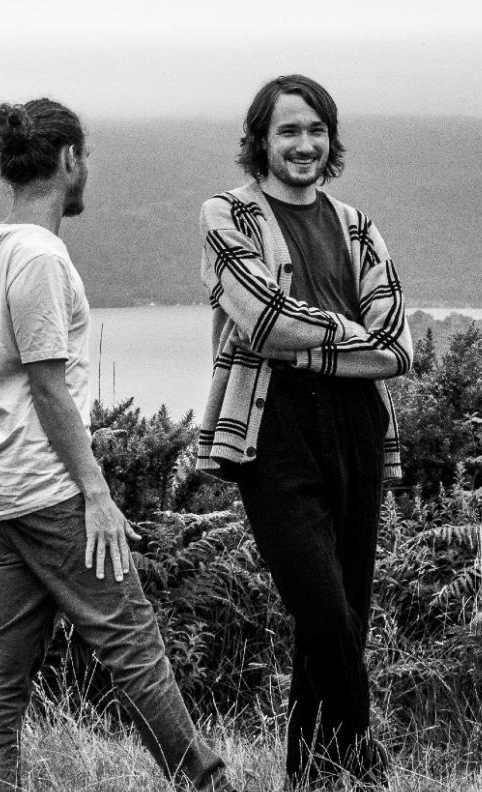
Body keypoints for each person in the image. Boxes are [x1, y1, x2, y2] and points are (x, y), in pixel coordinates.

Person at [0, 97, 235, 792]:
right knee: (131, 640)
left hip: (2, 489)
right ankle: (203, 781)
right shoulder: (41, 257)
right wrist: (96, 493)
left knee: (6, 661)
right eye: (87, 157)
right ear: (69, 159)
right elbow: (50, 387)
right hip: (52, 490)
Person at [195, 74, 412, 789]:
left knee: (346, 610)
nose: (304, 144)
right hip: (273, 425)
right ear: (261, 140)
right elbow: (263, 320)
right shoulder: (227, 215)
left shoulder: (357, 226)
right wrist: (346, 337)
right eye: (289, 130)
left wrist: (308, 341)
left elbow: (398, 346)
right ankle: (367, 765)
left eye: (316, 130)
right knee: (322, 613)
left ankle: (313, 775)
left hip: (356, 424)